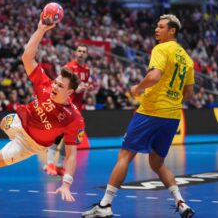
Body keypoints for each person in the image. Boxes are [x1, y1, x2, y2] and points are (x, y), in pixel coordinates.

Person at [0, 19, 84, 202]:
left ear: (69, 92)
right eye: (55, 81)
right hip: (21, 121)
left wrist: (66, 183)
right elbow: (27, 58)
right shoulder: (45, 85)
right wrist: (40, 29)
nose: (55, 86)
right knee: (5, 122)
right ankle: (11, 126)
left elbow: (71, 154)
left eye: (60, 85)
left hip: (30, 144)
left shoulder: (73, 117)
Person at [82, 14, 195, 218]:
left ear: (172, 31)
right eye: (156, 26)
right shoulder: (187, 58)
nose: (156, 29)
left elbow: (154, 76)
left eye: (161, 27)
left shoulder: (161, 49)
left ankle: (105, 205)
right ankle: (181, 203)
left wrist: (138, 87)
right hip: (172, 116)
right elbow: (188, 94)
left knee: (125, 155)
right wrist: (172, 99)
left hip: (151, 111)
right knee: (157, 163)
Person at [43, 44, 91, 176]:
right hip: (65, 106)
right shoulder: (69, 68)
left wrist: (85, 89)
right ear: (75, 53)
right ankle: (49, 163)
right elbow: (59, 86)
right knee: (57, 135)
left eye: (83, 51)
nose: (81, 53)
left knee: (68, 138)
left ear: (86, 55)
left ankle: (59, 165)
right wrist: (76, 89)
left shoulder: (87, 70)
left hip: (76, 109)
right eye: (79, 51)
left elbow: (82, 87)